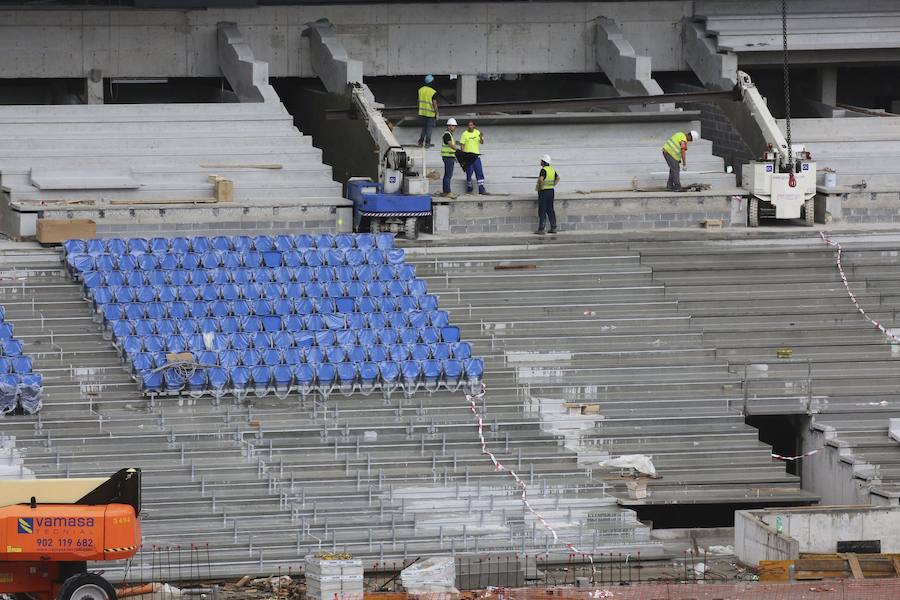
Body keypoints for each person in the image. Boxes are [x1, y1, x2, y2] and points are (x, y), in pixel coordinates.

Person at [459, 120, 487, 194]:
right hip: (468, 157)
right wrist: (463, 156)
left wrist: (481, 137)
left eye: (471, 125)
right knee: (469, 172)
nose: (470, 126)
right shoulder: (464, 134)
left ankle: (481, 189)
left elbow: (482, 142)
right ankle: (469, 188)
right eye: (469, 125)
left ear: (474, 126)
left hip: (476, 156)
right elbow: (462, 145)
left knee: (479, 172)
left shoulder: (477, 132)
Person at [534, 154, 560, 235]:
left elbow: (541, 180)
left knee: (542, 210)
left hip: (544, 192)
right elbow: (558, 178)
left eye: (541, 161)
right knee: (550, 209)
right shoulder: (552, 170)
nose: (540, 162)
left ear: (544, 162)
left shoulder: (543, 170)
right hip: (551, 191)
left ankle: (541, 229)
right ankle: (553, 227)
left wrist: (541, 187)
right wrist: (553, 185)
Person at [417, 75, 438, 147]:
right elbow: (434, 104)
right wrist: (436, 113)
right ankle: (427, 143)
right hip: (430, 113)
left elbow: (418, 101)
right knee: (429, 128)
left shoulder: (420, 90)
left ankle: (420, 142)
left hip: (422, 112)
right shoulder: (433, 92)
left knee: (424, 127)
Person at [439, 118, 458, 197]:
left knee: (447, 175)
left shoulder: (449, 135)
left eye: (453, 126)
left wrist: (455, 156)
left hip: (449, 157)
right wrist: (458, 151)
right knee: (448, 175)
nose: (452, 127)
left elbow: (451, 146)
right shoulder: (447, 134)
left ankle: (445, 191)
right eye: (451, 126)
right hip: (447, 157)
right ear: (448, 126)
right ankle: (447, 192)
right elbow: (450, 145)